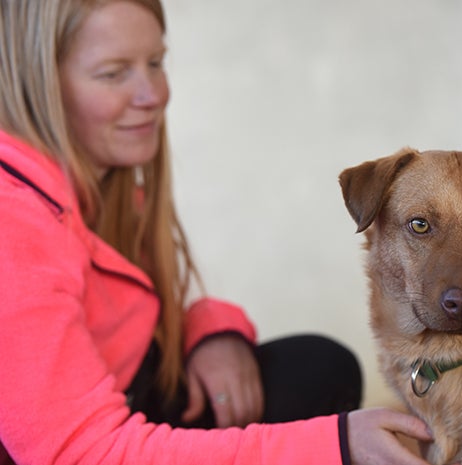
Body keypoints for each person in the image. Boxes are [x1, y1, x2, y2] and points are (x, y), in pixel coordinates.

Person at [0, 1, 436, 464]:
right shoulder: (13, 222)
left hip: (129, 395)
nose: (153, 94)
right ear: (39, 83)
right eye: (113, 73)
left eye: (155, 62)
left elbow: (116, 312)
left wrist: (208, 332)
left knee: (317, 368)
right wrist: (334, 445)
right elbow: (82, 454)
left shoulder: (108, 189)